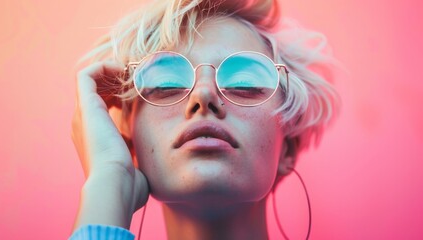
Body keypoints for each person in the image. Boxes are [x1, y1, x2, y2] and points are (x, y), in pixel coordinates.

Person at [70, 0, 340, 239]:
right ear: (130, 140)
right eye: (166, 83)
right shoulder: (117, 166)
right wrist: (109, 180)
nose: (203, 94)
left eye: (244, 83)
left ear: (288, 147)